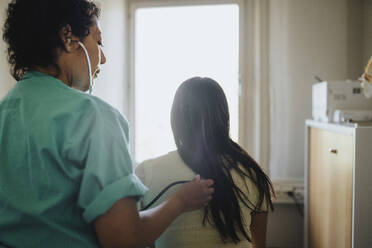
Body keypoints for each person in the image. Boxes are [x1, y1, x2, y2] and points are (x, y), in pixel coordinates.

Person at [0, 1, 214, 247]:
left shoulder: (5, 113)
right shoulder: (93, 117)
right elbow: (122, 239)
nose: (102, 58)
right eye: (98, 41)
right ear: (68, 37)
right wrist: (180, 202)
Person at [136, 77, 274, 248]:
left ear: (176, 119)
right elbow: (259, 244)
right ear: (224, 118)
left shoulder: (146, 173)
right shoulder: (252, 174)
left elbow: (129, 237)